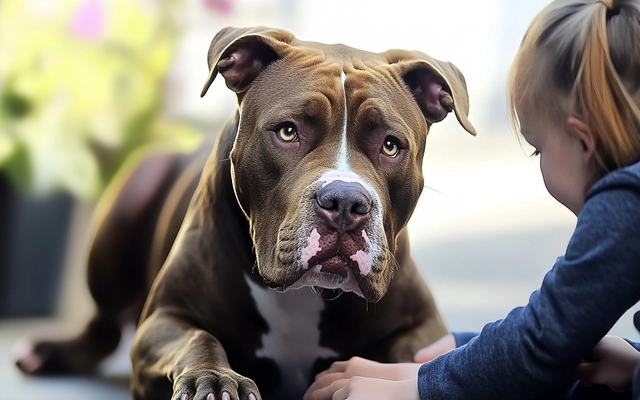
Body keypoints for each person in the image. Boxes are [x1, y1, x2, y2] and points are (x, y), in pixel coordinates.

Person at [303, 0, 640, 398]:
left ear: (584, 142)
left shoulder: (627, 203)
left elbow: (540, 343)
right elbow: (550, 334)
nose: (539, 162)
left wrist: (415, 388)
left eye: (538, 148)